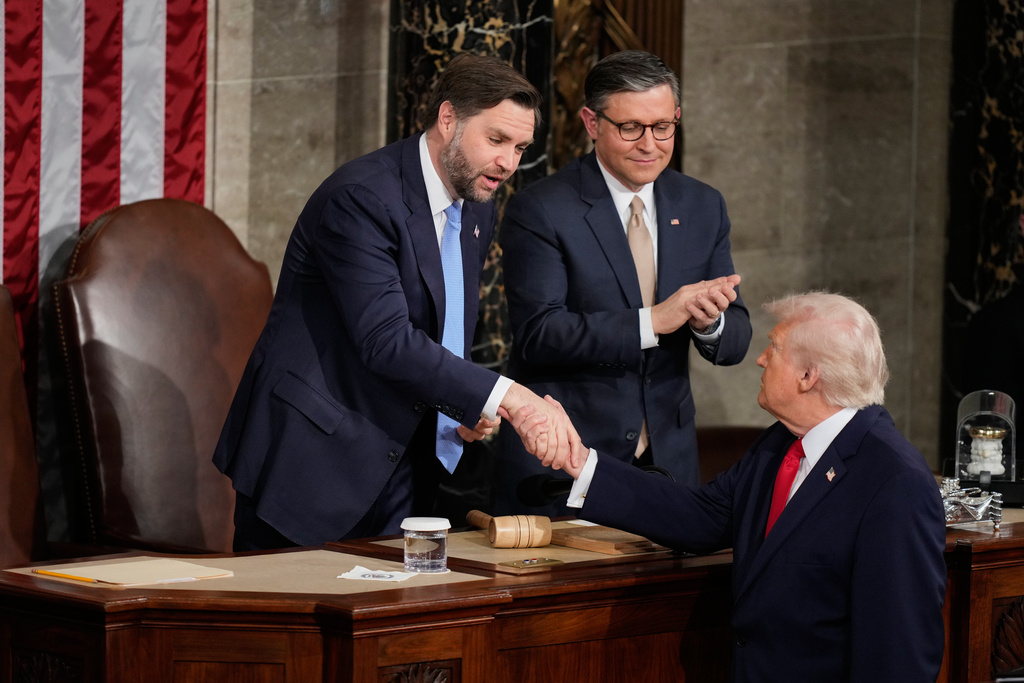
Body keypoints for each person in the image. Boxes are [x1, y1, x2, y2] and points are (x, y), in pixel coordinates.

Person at [213, 54, 578, 550]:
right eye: (496, 140)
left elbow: (443, 327)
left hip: (406, 467)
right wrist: (510, 396)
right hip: (313, 463)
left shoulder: (476, 208)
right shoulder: (361, 198)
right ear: (448, 120)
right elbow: (386, 340)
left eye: (521, 147)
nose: (509, 163)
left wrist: (463, 408)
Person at [504, 292, 947, 683]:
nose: (760, 358)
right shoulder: (779, 443)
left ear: (809, 377)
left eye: (774, 348)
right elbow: (703, 517)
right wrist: (580, 463)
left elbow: (899, 654)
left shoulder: (894, 482)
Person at [493, 50, 752, 516]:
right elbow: (539, 334)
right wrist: (653, 321)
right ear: (592, 123)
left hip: (668, 464)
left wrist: (709, 322)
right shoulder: (544, 209)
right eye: (630, 128)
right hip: (565, 459)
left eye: (662, 127)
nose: (649, 144)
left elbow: (734, 342)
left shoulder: (701, 205)